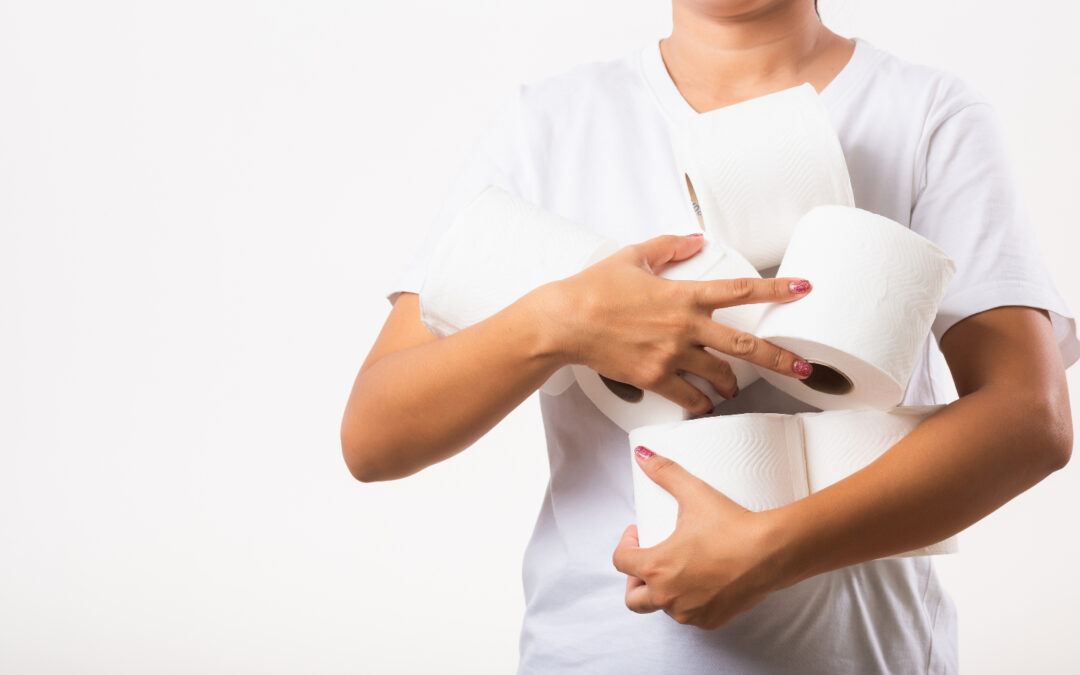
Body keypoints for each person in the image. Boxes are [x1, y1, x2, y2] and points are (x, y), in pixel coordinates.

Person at [341, 0, 1077, 672]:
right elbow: (375, 434)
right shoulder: (551, 125)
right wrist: (563, 323)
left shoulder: (926, 114)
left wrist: (774, 548)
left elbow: (1030, 417)